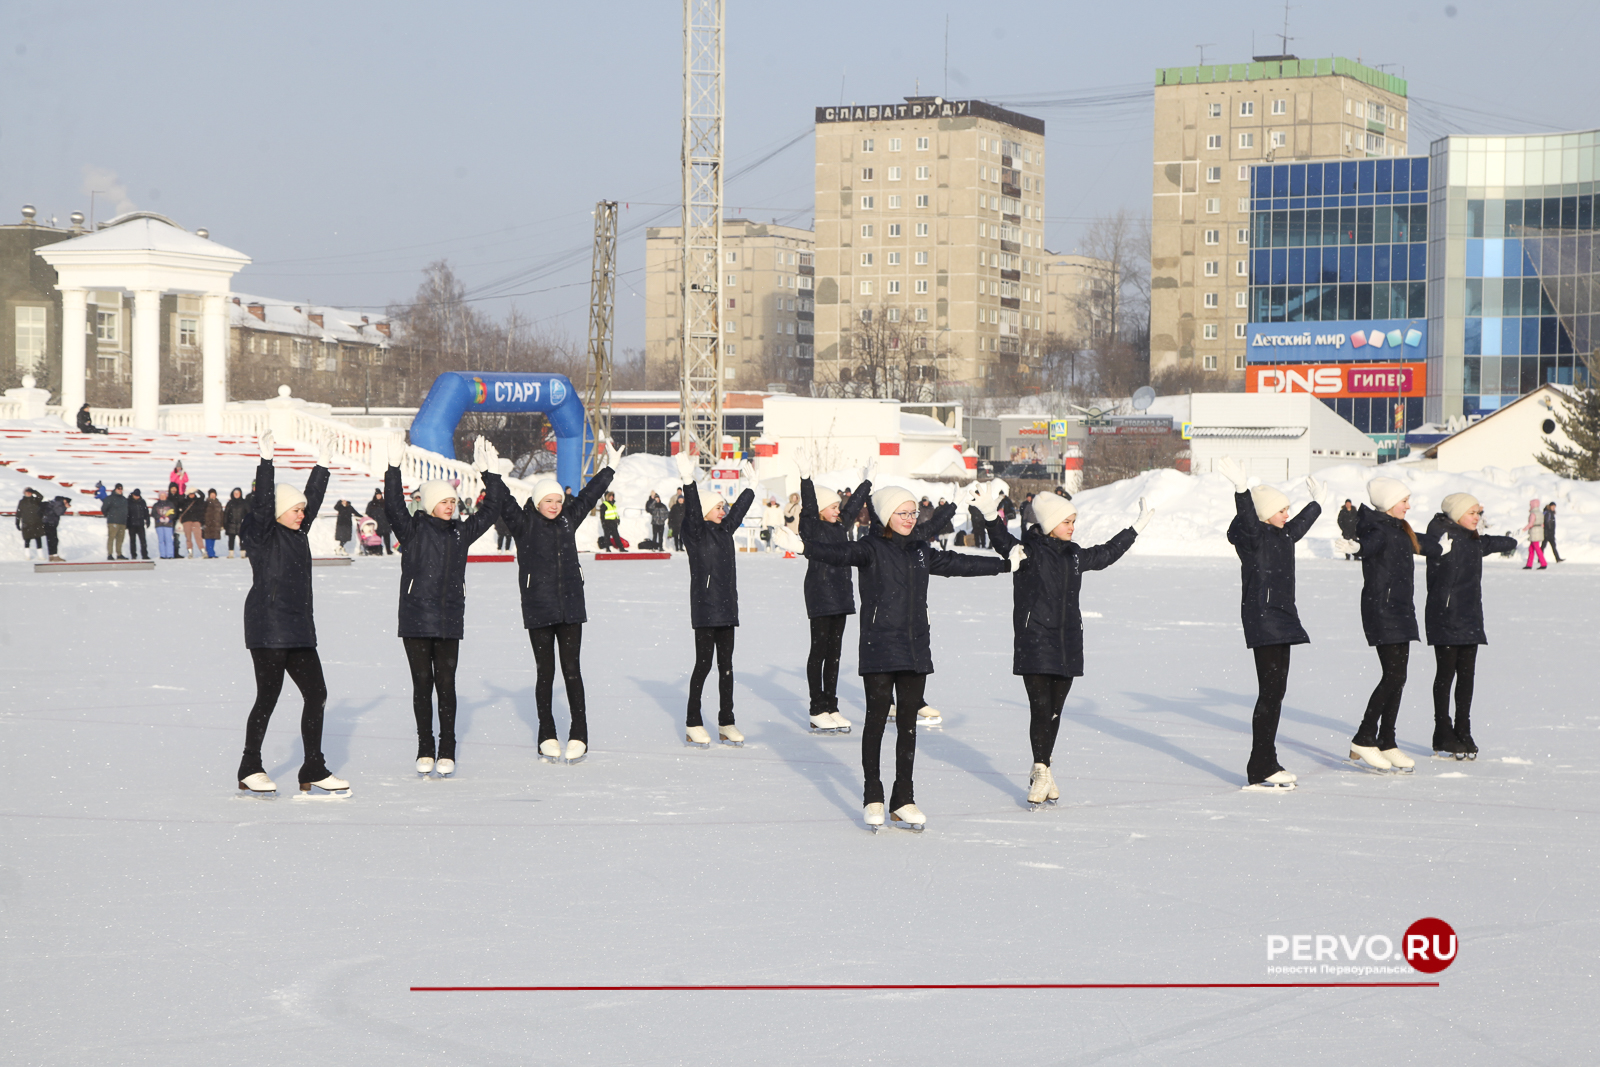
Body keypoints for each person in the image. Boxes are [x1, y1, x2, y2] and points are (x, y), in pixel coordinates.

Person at [776, 486, 1019, 832]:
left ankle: (903, 798)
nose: (909, 519)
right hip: (879, 646)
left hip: (915, 647)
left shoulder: (920, 550)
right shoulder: (870, 548)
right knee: (875, 721)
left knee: (907, 726)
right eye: (902, 513)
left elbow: (956, 563)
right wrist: (803, 547)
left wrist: (1005, 565)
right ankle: (873, 795)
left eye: (913, 513)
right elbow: (837, 553)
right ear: (887, 515)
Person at [982, 483, 1152, 805]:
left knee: (1055, 713)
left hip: (1068, 641)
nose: (1072, 528)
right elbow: (1002, 542)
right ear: (1049, 524)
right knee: (1040, 708)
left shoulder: (1074, 555)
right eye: (1066, 522)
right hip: (1035, 640)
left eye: (1074, 522)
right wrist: (991, 515)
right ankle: (1042, 770)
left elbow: (1105, 554)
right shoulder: (1028, 552)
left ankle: (1043, 769)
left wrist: (1135, 529)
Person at [383, 436, 508, 777]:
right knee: (422, 684)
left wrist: (490, 475)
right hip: (416, 619)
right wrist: (393, 469)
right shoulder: (412, 531)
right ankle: (426, 746)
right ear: (430, 504)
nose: (451, 505)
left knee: (447, 685)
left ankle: (447, 747)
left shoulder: (461, 534)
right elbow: (393, 506)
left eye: (453, 500)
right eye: (445, 501)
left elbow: (492, 509)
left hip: (449, 618)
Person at [236, 431, 348, 798]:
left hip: (299, 628)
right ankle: (250, 765)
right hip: (268, 628)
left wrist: (322, 466)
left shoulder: (297, 533)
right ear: (278, 511)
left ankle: (313, 765)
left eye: (303, 511)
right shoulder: (261, 533)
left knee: (316, 693)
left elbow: (310, 501)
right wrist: (266, 465)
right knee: (267, 696)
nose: (303, 514)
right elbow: (266, 504)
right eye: (296, 510)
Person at [501, 447, 619, 762]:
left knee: (572, 670)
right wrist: (489, 475)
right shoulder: (523, 524)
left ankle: (579, 732)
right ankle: (546, 733)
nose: (554, 506)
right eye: (548, 501)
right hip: (539, 609)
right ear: (537, 502)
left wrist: (609, 470)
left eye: (557, 501)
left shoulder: (568, 519)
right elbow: (503, 500)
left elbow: (589, 496)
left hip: (570, 608)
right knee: (546, 672)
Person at [1218, 457, 1325, 791]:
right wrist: (1241, 489)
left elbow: (1301, 525)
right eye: (1282, 509)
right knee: (1269, 693)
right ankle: (1263, 763)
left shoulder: (1283, 536)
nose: (1287, 514)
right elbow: (1248, 519)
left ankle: (1262, 762)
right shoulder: (1254, 538)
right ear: (1266, 513)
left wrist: (1317, 504)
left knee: (1276, 693)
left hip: (1284, 618)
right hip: (1263, 618)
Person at [1349, 476, 1443, 773]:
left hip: (1401, 609)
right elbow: (1368, 545)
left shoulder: (1399, 528)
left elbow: (1424, 545)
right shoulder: (1377, 528)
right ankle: (1364, 737)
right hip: (1383, 610)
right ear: (1389, 503)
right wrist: (1355, 546)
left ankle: (1386, 740)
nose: (1408, 505)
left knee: (1399, 677)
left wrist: (1443, 543)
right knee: (1393, 675)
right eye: (1404, 500)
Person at [1425, 494, 1519, 760]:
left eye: (1480, 512)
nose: (1477, 517)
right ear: (1456, 514)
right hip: (1444, 615)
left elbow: (1506, 542)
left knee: (1466, 676)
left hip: (1469, 617)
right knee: (1446, 674)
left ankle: (1463, 730)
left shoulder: (1475, 541)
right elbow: (1419, 542)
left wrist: (1509, 540)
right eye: (1472, 512)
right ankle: (1442, 730)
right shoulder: (1441, 539)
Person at [674, 450, 756, 747]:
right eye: (719, 507)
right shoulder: (694, 533)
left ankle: (726, 721)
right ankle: (693, 722)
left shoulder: (724, 532)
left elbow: (738, 513)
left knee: (727, 667)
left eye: (724, 506)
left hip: (727, 608)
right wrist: (688, 482)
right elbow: (693, 510)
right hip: (706, 610)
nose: (724, 510)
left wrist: (751, 488)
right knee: (704, 665)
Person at [793, 457, 873, 734]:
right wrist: (806, 481)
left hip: (840, 595)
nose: (838, 510)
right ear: (821, 509)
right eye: (833, 506)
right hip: (820, 595)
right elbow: (809, 506)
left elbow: (852, 507)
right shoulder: (812, 529)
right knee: (820, 650)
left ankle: (831, 705)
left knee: (835, 653)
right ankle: (817, 707)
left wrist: (865, 483)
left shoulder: (840, 526)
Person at [102, 483, 129, 561]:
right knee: (112, 537)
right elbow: (104, 508)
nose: (120, 490)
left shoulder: (124, 499)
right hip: (113, 521)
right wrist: (110, 515)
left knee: (120, 539)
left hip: (122, 522)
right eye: (118, 488)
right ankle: (110, 554)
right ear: (115, 489)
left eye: (121, 488)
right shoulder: (110, 498)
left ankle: (119, 554)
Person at [16, 488, 45, 559]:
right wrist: (17, 522)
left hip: (36, 522)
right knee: (27, 539)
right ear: (24, 493)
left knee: (38, 539)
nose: (29, 494)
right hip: (27, 523)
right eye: (27, 492)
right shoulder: (22, 502)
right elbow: (18, 513)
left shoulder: (35, 500)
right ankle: (27, 555)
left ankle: (40, 555)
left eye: (30, 492)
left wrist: (35, 491)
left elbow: (41, 497)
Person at [40, 494, 69, 562]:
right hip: (51, 523)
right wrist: (65, 507)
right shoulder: (58, 504)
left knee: (50, 539)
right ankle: (55, 556)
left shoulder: (54, 502)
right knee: (54, 539)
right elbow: (59, 512)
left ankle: (51, 555)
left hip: (46, 522)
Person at [153, 490, 181, 559]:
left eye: (164, 495)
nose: (162, 497)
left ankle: (170, 554)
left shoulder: (170, 504)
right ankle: (162, 554)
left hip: (168, 525)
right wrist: (159, 517)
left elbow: (173, 513)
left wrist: (169, 518)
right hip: (159, 524)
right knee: (161, 540)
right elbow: (154, 513)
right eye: (161, 496)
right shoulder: (156, 505)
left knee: (169, 540)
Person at [1521, 499, 1547, 570]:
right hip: (1539, 531)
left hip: (1534, 532)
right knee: (1531, 548)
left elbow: (1531, 524)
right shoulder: (1540, 513)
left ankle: (1543, 563)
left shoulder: (1533, 514)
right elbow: (1542, 523)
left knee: (1536, 548)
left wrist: (1523, 530)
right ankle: (1529, 564)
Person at [180, 490, 206, 558]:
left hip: (196, 521)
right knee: (188, 537)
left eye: (193, 493)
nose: (191, 495)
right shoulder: (184, 501)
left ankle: (203, 551)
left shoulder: (198, 501)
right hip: (187, 521)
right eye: (190, 494)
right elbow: (180, 499)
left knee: (198, 536)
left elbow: (203, 496)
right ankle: (190, 552)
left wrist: (197, 490)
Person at [366, 489, 393, 554]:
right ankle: (378, 550)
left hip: (385, 523)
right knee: (377, 538)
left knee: (387, 538)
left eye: (379, 495)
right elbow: (368, 513)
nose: (378, 496)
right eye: (377, 495)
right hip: (376, 524)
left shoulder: (385, 503)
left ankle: (388, 550)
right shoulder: (371, 504)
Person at [125, 489, 150, 561]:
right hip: (131, 524)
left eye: (138, 496)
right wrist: (127, 523)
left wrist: (147, 520)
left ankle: (144, 555)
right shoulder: (128, 501)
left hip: (140, 524)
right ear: (133, 495)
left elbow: (146, 512)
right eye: (136, 495)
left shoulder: (142, 502)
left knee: (143, 541)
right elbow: (127, 513)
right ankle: (133, 555)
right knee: (132, 541)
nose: (137, 497)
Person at [202, 489, 225, 558]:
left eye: (214, 494)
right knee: (208, 538)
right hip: (208, 524)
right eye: (211, 494)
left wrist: (222, 524)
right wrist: (203, 522)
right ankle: (210, 553)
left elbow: (221, 514)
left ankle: (211, 551)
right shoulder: (206, 503)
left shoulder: (218, 503)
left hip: (216, 524)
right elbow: (202, 513)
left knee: (213, 539)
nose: (213, 495)